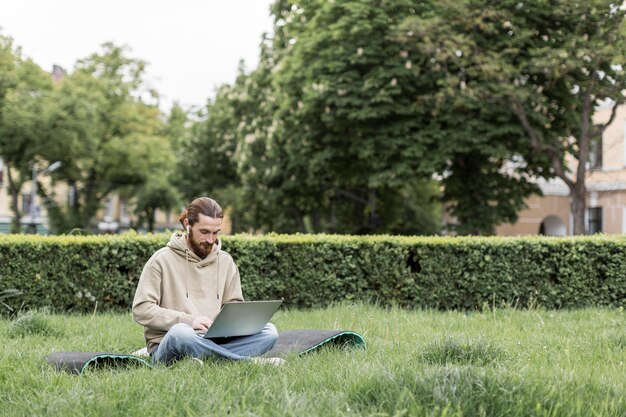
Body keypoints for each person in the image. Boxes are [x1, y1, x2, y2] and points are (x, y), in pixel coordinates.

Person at [132, 197, 281, 365]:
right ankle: (245, 362)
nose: (211, 239)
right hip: (170, 343)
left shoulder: (226, 262)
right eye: (204, 232)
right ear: (188, 224)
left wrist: (230, 323)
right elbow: (141, 309)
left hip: (216, 339)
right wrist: (189, 321)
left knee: (270, 332)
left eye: (216, 232)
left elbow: (233, 304)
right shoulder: (160, 260)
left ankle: (201, 359)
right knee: (181, 333)